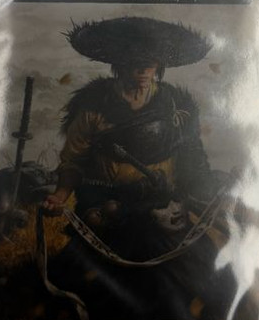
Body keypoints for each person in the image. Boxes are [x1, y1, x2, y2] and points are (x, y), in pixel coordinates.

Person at [42, 16, 218, 236]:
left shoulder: (177, 104)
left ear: (159, 64)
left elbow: (193, 157)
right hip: (105, 207)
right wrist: (59, 196)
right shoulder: (94, 104)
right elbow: (73, 161)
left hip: (162, 206)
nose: (143, 69)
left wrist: (206, 193)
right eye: (135, 61)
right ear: (120, 62)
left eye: (149, 62)